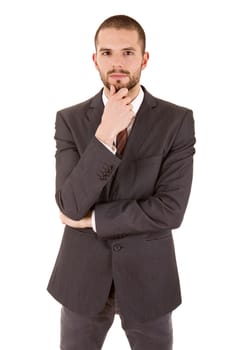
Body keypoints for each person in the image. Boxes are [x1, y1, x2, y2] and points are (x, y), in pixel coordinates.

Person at [47, 14, 195, 350]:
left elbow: (170, 210)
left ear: (144, 58)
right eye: (107, 53)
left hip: (149, 280)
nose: (117, 63)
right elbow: (69, 204)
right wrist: (104, 134)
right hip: (81, 280)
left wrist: (93, 219)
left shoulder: (177, 121)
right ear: (95, 59)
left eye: (128, 53)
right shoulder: (69, 121)